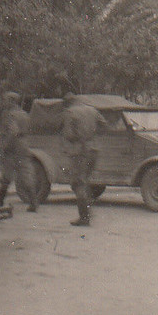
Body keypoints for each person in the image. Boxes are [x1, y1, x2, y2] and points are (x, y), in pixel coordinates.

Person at [61, 93, 106, 227]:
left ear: (67, 103)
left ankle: (84, 217)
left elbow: (68, 134)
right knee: (84, 181)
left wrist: (78, 137)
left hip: (79, 151)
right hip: (94, 149)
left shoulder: (70, 112)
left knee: (77, 183)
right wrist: (92, 135)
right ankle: (87, 210)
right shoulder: (92, 110)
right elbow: (104, 125)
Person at [0, 91, 37, 212]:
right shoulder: (24, 114)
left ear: (12, 101)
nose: (4, 102)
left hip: (13, 146)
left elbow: (12, 132)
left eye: (6, 100)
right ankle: (34, 201)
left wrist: (4, 146)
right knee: (25, 173)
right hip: (24, 144)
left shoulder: (10, 115)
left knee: (6, 175)